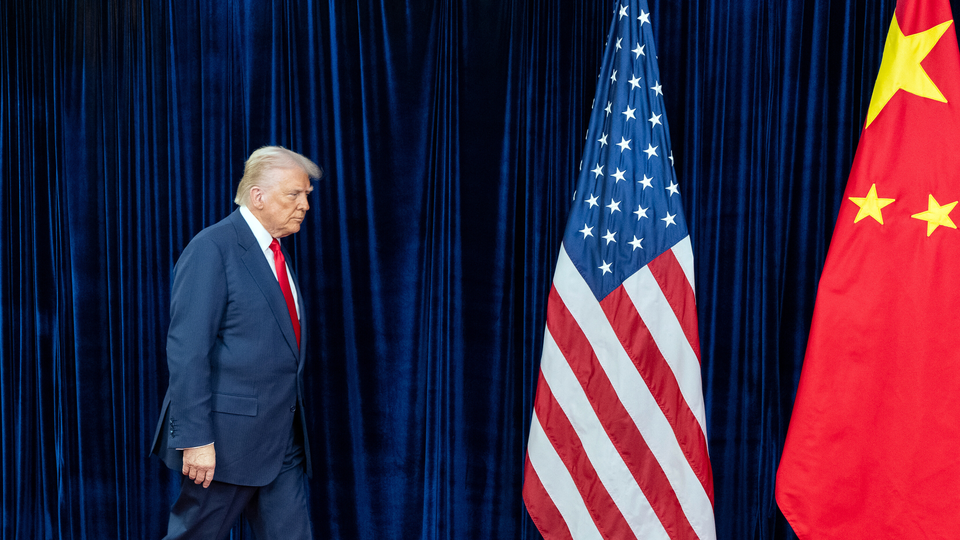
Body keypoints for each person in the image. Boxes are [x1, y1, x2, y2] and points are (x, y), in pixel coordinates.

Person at [151, 146, 321, 539]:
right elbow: (187, 350)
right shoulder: (213, 248)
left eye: (306, 195)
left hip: (282, 441)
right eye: (294, 194)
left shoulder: (274, 253)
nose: (305, 206)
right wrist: (195, 439)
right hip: (225, 444)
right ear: (258, 196)